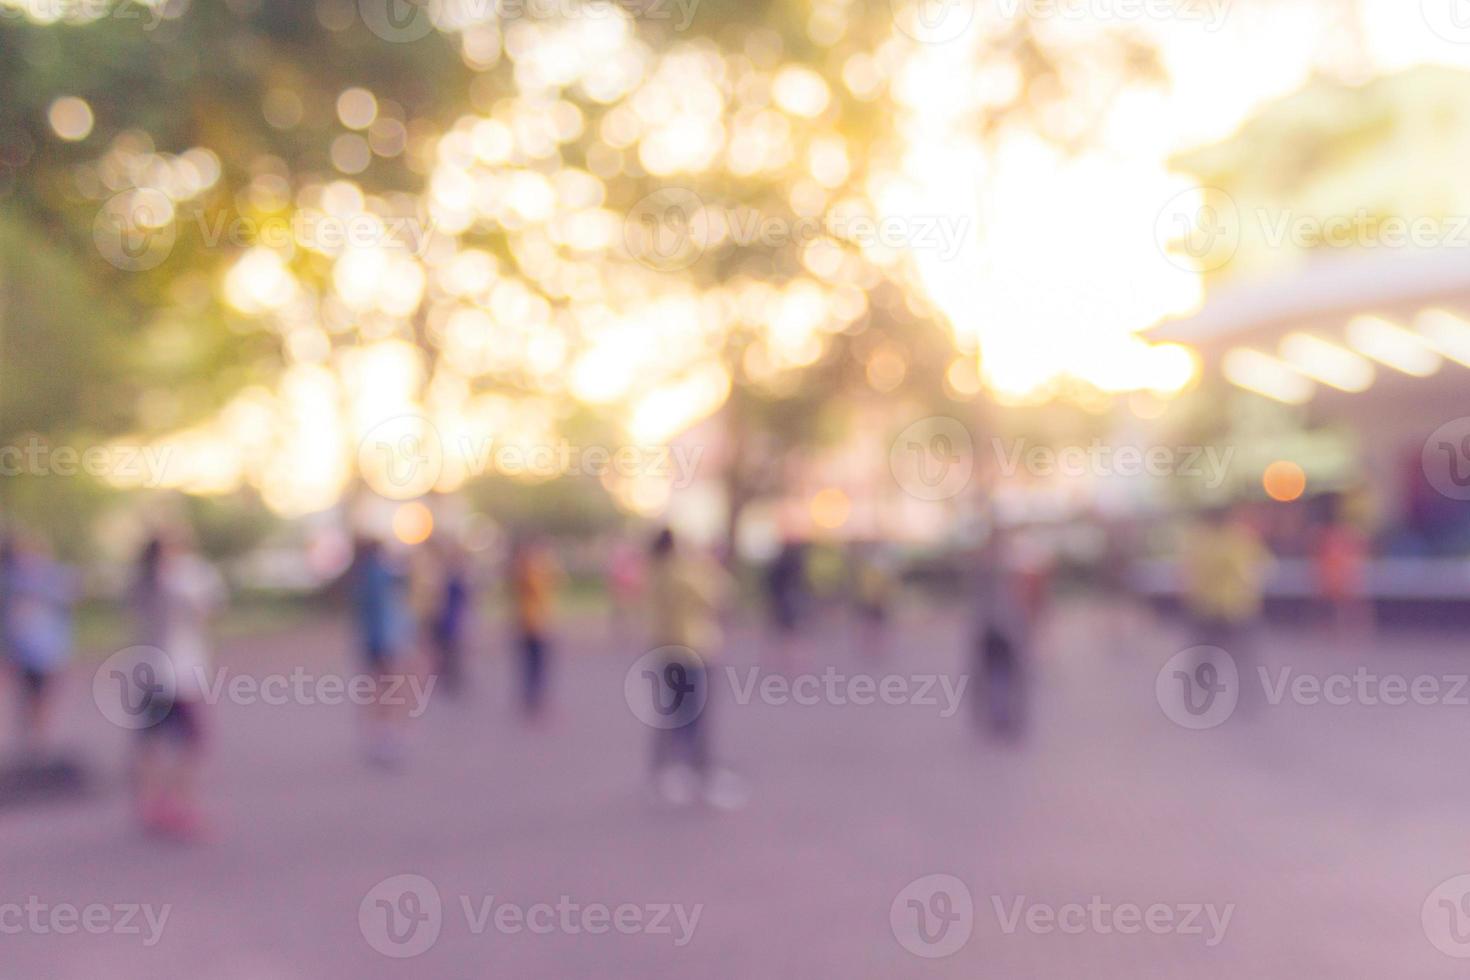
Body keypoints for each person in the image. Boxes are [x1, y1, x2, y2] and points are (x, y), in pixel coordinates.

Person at [130, 527, 226, 838]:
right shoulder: (176, 584)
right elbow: (202, 614)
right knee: (193, 741)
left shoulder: (142, 583)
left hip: (150, 672)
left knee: (151, 742)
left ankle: (151, 803)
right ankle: (178, 802)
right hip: (178, 676)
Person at [644, 527, 741, 808]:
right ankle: (694, 773)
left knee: (672, 713)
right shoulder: (683, 572)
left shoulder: (656, 570)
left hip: (665, 647)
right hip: (691, 650)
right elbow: (720, 595)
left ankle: (668, 770)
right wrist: (709, 564)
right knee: (694, 716)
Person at [1181, 505, 1274, 714]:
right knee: (1208, 657)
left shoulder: (1238, 539)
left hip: (1233, 608)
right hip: (1213, 608)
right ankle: (1204, 698)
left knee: (1237, 657)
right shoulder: (1209, 540)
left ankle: (1240, 699)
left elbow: (1261, 568)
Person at [1, 532, 76, 760]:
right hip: (27, 652)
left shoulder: (43, 580)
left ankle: (40, 745)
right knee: (30, 699)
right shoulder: (14, 581)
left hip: (46, 652)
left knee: (42, 699)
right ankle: (34, 745)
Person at [349, 535, 414, 765]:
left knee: (377, 692)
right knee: (389, 693)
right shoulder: (379, 574)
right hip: (384, 642)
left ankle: (378, 738)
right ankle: (386, 738)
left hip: (371, 642)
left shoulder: (362, 576)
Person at [970, 524, 1032, 740]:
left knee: (998, 673)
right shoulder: (1011, 566)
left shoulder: (984, 566)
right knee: (1001, 673)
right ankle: (1001, 713)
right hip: (1001, 629)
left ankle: (999, 713)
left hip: (997, 628)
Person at [508, 535, 561, 723]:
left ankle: (533, 699)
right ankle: (534, 701)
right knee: (535, 666)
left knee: (534, 665)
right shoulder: (528, 572)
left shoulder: (527, 571)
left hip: (534, 623)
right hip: (533, 625)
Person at [1314, 493, 1372, 642]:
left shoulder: (1345, 534)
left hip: (1344, 577)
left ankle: (1350, 634)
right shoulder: (1331, 535)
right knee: (1331, 606)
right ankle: (1334, 634)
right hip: (1334, 577)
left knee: (1347, 607)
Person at [428, 535, 471, 697]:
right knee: (449, 652)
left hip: (451, 620)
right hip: (450, 621)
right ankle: (449, 679)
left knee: (450, 653)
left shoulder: (448, 576)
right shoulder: (452, 577)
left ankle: (449, 679)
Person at [764, 538, 806, 668]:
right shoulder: (796, 562)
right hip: (791, 598)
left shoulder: (777, 563)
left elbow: (770, 582)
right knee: (791, 631)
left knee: (782, 630)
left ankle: (781, 659)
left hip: (780, 599)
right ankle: (791, 659)